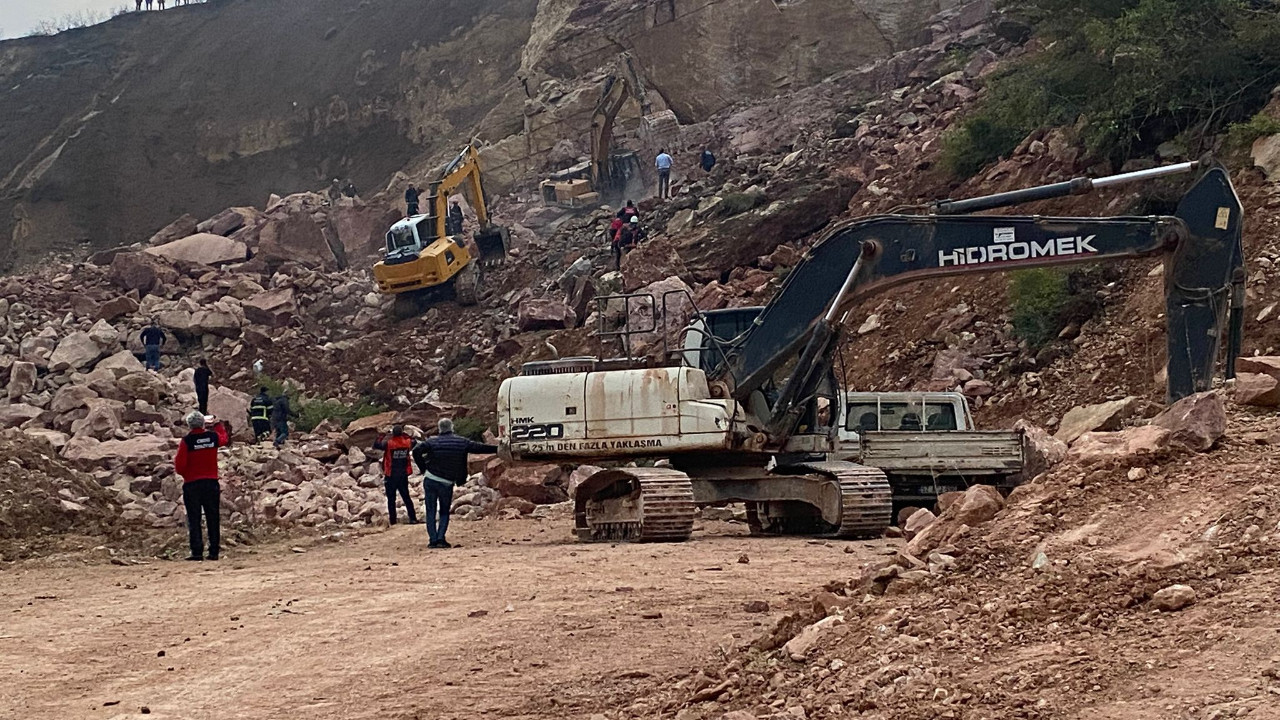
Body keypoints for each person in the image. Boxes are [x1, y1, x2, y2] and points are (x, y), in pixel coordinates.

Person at [411, 418, 498, 548]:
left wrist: (424, 468)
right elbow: (479, 448)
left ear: (440, 429)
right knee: (444, 511)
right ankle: (441, 539)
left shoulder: (432, 442)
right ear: (452, 427)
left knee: (430, 510)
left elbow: (416, 450)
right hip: (446, 482)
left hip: (430, 479)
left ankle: (432, 540)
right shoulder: (461, 442)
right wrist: (498, 449)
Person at [173, 410, 231, 561]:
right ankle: (213, 552)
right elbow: (224, 439)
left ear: (189, 425)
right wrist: (218, 425)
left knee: (194, 518)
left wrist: (188, 474)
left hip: (192, 484)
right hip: (211, 482)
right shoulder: (212, 437)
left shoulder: (187, 441)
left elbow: (179, 466)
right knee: (213, 517)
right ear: (204, 423)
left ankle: (197, 552)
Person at [373, 425, 419, 525]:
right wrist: (405, 434)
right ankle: (413, 518)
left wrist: (382, 434)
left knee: (391, 499)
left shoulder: (389, 443)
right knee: (406, 497)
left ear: (393, 433)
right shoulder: (407, 443)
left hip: (391, 475)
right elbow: (414, 441)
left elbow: (376, 444)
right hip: (403, 474)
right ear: (401, 433)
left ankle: (393, 521)